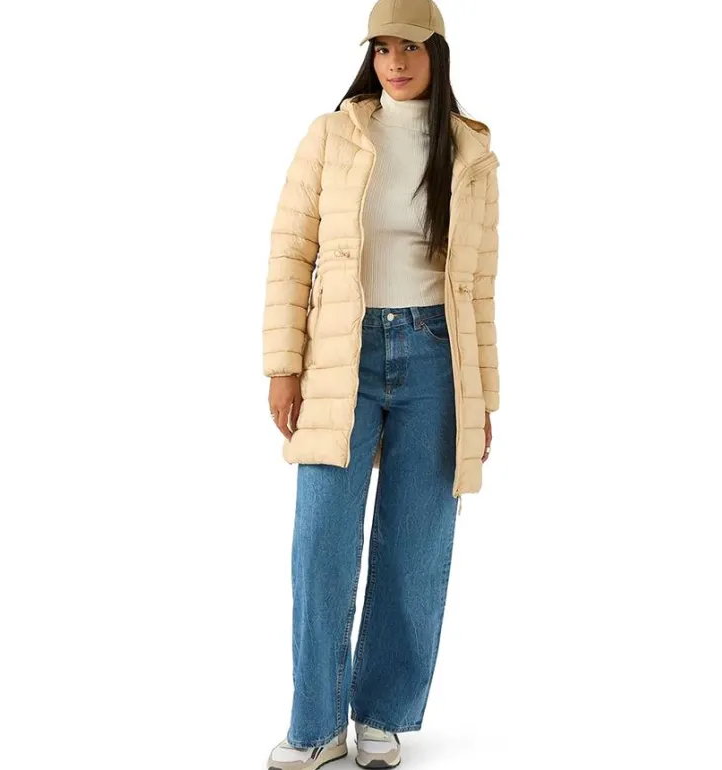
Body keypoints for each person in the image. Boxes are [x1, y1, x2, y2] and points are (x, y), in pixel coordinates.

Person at [262, 0, 501, 767]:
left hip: (437, 358)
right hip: (342, 353)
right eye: (383, 48)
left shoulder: (471, 152)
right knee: (321, 545)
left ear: (438, 54)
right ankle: (315, 726)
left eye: (411, 47)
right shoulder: (332, 135)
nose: (395, 62)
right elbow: (291, 250)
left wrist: (484, 400)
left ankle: (382, 716)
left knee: (415, 549)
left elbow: (479, 287)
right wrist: (283, 365)